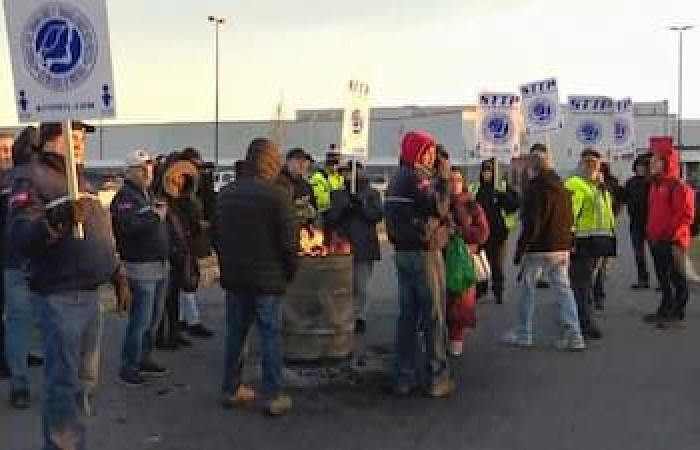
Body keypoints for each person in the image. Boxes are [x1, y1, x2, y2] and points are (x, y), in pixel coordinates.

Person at [8, 122, 128, 449]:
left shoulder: (81, 179)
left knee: (85, 382)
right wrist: (52, 220)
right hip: (60, 296)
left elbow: (100, 232)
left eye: (82, 138)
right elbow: (19, 234)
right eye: (71, 137)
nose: (79, 144)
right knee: (63, 383)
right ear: (49, 140)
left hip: (89, 297)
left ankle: (75, 441)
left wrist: (116, 273)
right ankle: (62, 444)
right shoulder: (31, 178)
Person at [215, 138, 298, 416]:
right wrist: (289, 274)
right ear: (272, 163)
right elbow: (289, 245)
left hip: (235, 279)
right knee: (270, 337)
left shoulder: (225, 194)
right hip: (268, 281)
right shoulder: (278, 197)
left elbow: (217, 237)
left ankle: (230, 388)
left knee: (236, 335)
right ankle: (273, 395)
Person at [384, 130, 454, 398]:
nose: (432, 157)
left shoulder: (395, 180)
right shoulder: (418, 179)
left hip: (402, 252)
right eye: (428, 151)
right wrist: (444, 180)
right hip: (423, 253)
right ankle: (438, 377)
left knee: (407, 316)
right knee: (434, 315)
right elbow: (438, 207)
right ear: (417, 152)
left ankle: (403, 376)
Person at [506, 144, 585, 350]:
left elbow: (533, 222)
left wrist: (522, 248)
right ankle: (574, 333)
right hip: (561, 245)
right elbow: (569, 218)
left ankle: (524, 332)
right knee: (563, 289)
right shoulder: (563, 188)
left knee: (527, 288)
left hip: (540, 247)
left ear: (534, 167)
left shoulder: (535, 189)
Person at [112, 150, 171, 386]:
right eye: (141, 168)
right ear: (129, 172)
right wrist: (155, 217)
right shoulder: (125, 198)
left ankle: (144, 358)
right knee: (141, 320)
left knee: (154, 318)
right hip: (140, 267)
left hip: (158, 264)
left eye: (150, 167)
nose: (148, 172)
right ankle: (129, 365)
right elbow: (129, 227)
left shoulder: (147, 194)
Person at [2, 127, 45, 409]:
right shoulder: (35, 178)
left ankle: (20, 382)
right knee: (25, 322)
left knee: (23, 323)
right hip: (19, 261)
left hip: (22, 261)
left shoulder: (17, 179)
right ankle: (20, 382)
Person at [325, 161, 383, 333]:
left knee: (361, 286)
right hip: (343, 246)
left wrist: (362, 206)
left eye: (351, 171)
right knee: (342, 285)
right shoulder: (337, 194)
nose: (348, 175)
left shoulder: (371, 194)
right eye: (345, 172)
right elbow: (331, 218)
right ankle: (343, 315)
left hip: (364, 246)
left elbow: (377, 215)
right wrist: (343, 209)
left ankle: (360, 316)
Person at [565, 148, 616, 340]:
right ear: (582, 164)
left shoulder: (598, 186)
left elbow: (606, 215)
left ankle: (582, 321)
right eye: (589, 163)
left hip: (598, 244)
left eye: (596, 163)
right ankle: (583, 323)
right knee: (582, 286)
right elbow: (570, 215)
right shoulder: (576, 184)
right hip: (582, 242)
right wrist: (569, 240)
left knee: (587, 285)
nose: (594, 167)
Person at [644, 139, 695, 329]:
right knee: (663, 279)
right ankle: (665, 310)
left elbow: (685, 216)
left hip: (672, 241)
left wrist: (669, 236)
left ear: (667, 163)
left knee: (676, 278)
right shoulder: (656, 186)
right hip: (657, 240)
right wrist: (651, 233)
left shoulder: (679, 187)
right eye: (651, 162)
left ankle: (677, 313)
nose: (651, 165)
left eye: (656, 161)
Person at [447, 167, 489, 356]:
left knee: (461, 303)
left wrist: (460, 233)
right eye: (451, 180)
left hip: (464, 260)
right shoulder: (440, 203)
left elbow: (482, 233)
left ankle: (456, 339)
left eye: (458, 180)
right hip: (442, 258)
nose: (454, 183)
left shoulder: (472, 205)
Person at [470, 158, 520, 304]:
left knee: (497, 265)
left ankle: (498, 291)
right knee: (480, 264)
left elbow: (516, 203)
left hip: (499, 234)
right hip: (480, 234)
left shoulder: (502, 187)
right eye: (485, 171)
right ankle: (481, 291)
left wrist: (503, 196)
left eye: (490, 171)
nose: (487, 174)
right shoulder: (475, 188)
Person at [177, 148, 214, 339]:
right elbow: (186, 210)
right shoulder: (180, 189)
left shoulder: (193, 188)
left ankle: (184, 319)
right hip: (185, 238)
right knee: (188, 279)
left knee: (188, 280)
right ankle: (190, 320)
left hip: (190, 237)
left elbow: (205, 204)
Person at [592, 162, 624, 309]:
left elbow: (617, 201)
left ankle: (598, 295)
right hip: (590, 231)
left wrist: (613, 215)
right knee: (593, 267)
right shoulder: (584, 184)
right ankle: (595, 296)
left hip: (604, 230)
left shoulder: (609, 184)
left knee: (598, 265)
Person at [624, 153, 653, 289]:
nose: (641, 169)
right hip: (636, 223)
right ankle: (643, 279)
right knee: (639, 254)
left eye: (644, 166)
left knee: (658, 255)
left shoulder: (653, 182)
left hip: (652, 223)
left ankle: (664, 281)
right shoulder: (630, 182)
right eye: (639, 166)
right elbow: (623, 198)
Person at [0, 131, 14, 380]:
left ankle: (15, 354)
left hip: (13, 256)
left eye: (10, 149)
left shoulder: (16, 179)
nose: (7, 154)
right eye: (2, 149)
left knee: (15, 311)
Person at [276, 148, 317, 225]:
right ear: (287, 162)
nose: (302, 164)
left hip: (303, 231)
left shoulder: (306, 185)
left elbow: (314, 208)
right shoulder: (278, 182)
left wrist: (311, 214)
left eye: (304, 161)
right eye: (298, 160)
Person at [309, 147, 345, 214]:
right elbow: (320, 199)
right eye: (334, 162)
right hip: (324, 213)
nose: (336, 165)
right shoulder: (318, 177)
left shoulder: (339, 177)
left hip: (338, 212)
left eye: (338, 162)